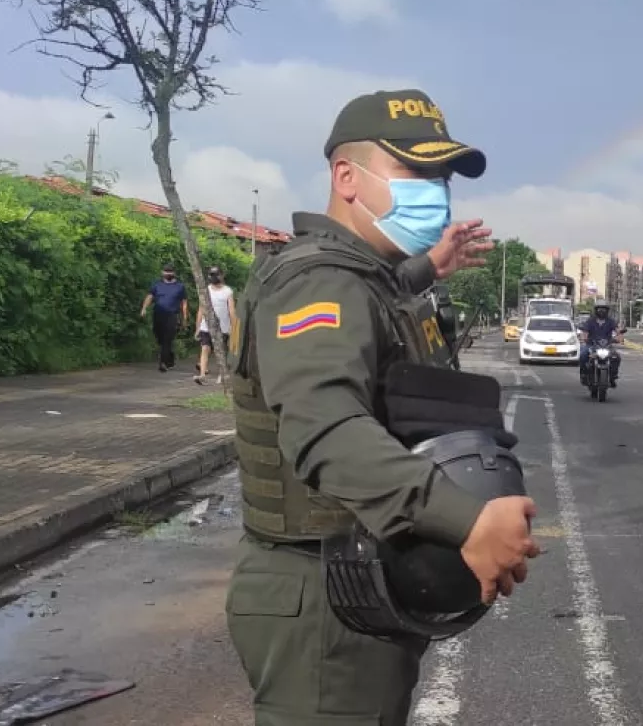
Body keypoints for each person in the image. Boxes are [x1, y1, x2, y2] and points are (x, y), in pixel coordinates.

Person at [223, 88, 539, 726]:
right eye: (415, 172)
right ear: (346, 177)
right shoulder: (320, 281)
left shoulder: (356, 276)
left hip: (349, 584)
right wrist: (465, 522)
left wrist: (428, 266)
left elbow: (371, 307)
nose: (436, 191)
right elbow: (326, 428)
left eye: (442, 176)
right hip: (321, 599)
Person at [139, 263, 188, 372]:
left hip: (172, 315)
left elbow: (184, 303)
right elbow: (149, 296)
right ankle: (169, 356)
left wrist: (184, 318)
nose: (168, 274)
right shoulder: (157, 285)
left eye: (170, 272)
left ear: (174, 273)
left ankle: (163, 363)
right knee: (160, 338)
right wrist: (144, 308)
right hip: (158, 315)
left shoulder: (180, 287)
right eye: (166, 272)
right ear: (162, 273)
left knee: (167, 339)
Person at [194, 266, 237, 385]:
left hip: (222, 327)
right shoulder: (206, 290)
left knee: (221, 352)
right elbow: (201, 309)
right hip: (206, 326)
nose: (214, 277)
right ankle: (202, 374)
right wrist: (197, 327)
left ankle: (222, 374)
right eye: (212, 275)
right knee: (205, 349)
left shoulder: (228, 291)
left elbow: (232, 311)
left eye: (216, 275)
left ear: (222, 276)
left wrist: (234, 328)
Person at [577, 299, 623, 387]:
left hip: (607, 345)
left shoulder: (610, 321)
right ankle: (583, 375)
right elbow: (585, 332)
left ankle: (613, 376)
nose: (601, 311)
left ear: (607, 310)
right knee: (583, 355)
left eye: (604, 309)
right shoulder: (590, 321)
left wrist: (619, 338)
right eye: (599, 309)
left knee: (616, 357)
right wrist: (584, 338)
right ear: (596, 310)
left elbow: (618, 331)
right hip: (592, 345)